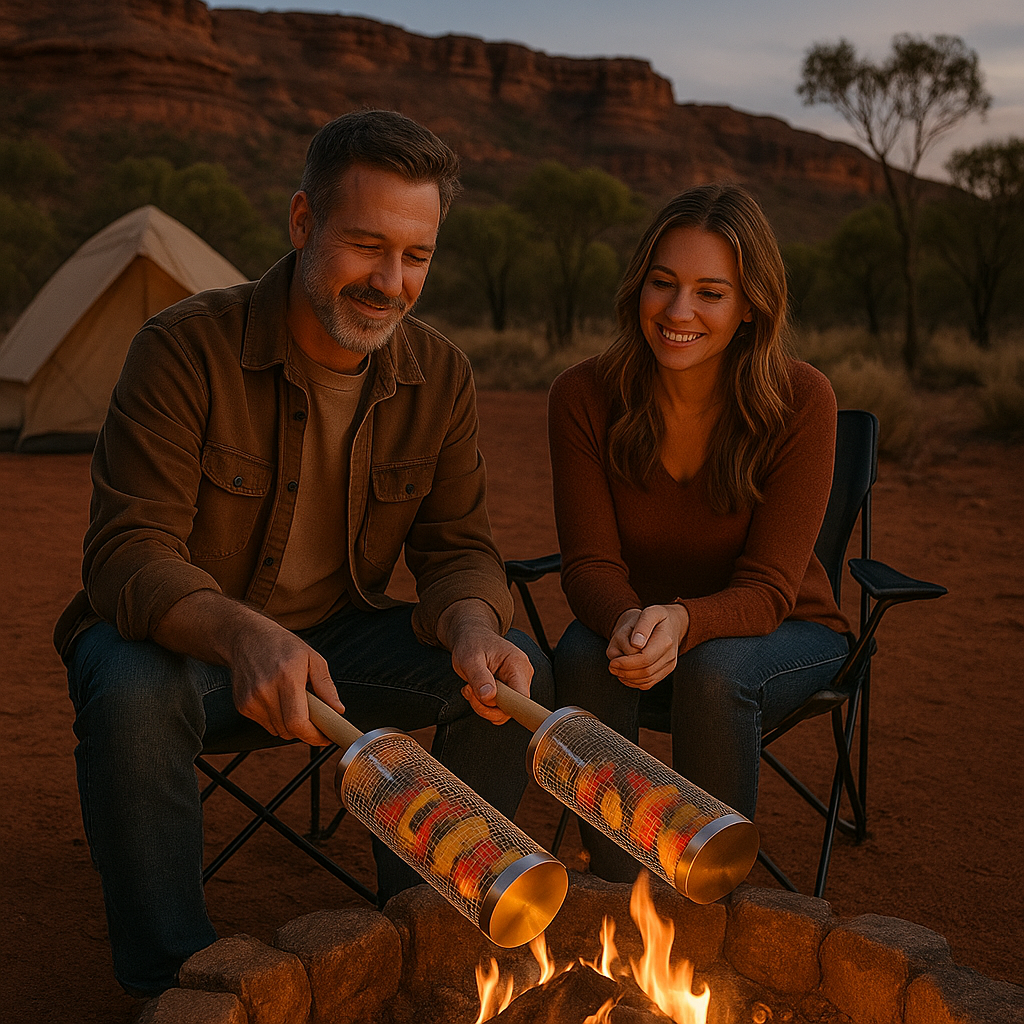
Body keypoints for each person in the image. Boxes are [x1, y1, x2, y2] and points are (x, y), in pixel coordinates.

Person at [54, 109, 552, 997]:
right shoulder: (183, 348)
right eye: (366, 245)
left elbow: (461, 549)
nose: (392, 281)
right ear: (300, 222)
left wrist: (474, 622)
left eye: (417, 257)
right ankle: (180, 988)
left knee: (505, 683)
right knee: (128, 689)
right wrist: (242, 634)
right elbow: (128, 553)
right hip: (184, 652)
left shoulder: (441, 376)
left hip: (339, 641)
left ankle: (428, 944)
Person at [547, 184, 851, 882]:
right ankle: (616, 901)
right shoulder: (584, 395)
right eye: (663, 283)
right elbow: (590, 562)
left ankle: (708, 902)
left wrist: (683, 623)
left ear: (750, 307)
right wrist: (629, 618)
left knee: (714, 675)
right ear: (638, 289)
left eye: (710, 292)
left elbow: (771, 588)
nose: (679, 312)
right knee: (585, 653)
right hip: (645, 626)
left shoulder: (801, 399)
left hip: (786, 631)